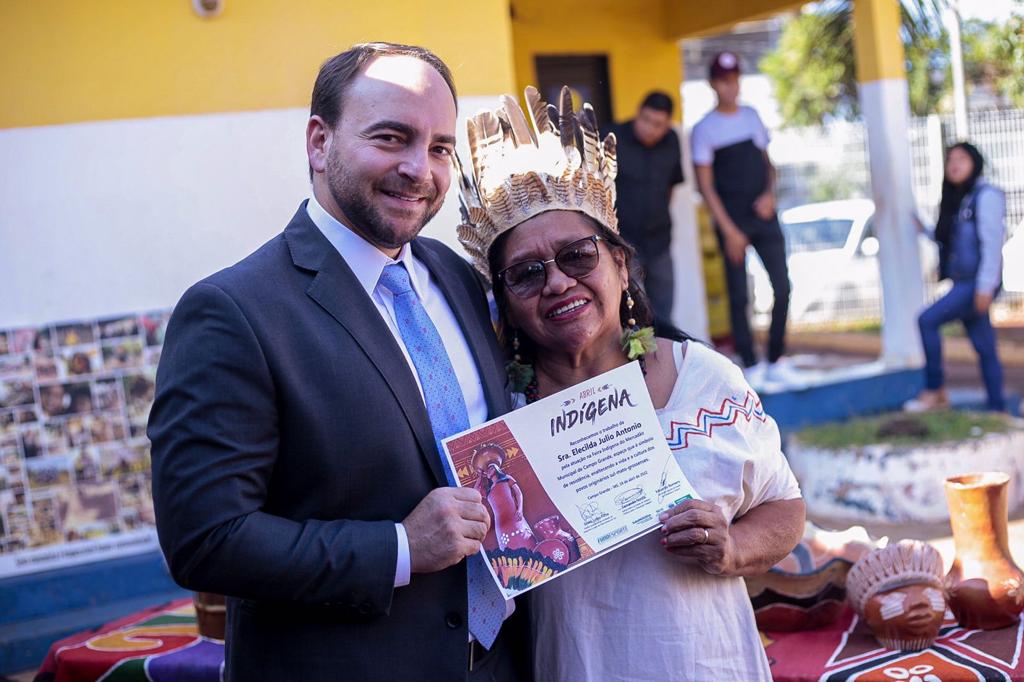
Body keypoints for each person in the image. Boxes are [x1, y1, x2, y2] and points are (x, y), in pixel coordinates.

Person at [148, 43, 530, 681]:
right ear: (319, 142)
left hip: (500, 663)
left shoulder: (457, 279)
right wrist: (400, 549)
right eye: (391, 137)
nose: (420, 169)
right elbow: (205, 539)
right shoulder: (231, 312)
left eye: (439, 147)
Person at [456, 85, 806, 681]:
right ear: (507, 305)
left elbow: (785, 507)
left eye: (577, 255)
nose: (558, 283)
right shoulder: (498, 420)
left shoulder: (704, 380)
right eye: (526, 273)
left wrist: (734, 548)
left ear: (620, 263)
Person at [691, 51, 794, 384]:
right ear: (713, 84)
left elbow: (769, 166)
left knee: (782, 285)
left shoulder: (752, 117)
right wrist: (729, 230)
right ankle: (750, 364)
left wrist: (770, 195)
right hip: (731, 221)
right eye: (723, 80)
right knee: (739, 295)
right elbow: (705, 186)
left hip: (763, 216)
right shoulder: (704, 129)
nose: (730, 86)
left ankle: (777, 357)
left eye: (734, 79)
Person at [905, 142, 1006, 412]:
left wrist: (985, 287)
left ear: (975, 161)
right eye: (950, 159)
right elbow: (949, 239)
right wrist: (924, 230)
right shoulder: (960, 198)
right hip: (964, 282)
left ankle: (935, 389)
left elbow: (992, 245)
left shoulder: (986, 196)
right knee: (984, 346)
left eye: (961, 158)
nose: (954, 164)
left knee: (927, 320)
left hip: (975, 283)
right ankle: (998, 407)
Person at [606, 91, 685, 323]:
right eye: (646, 120)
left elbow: (671, 184)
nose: (650, 128)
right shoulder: (613, 137)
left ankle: (663, 357)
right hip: (625, 243)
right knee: (633, 313)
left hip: (660, 241)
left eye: (658, 124)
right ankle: (639, 360)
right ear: (638, 114)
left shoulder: (672, 140)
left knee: (665, 313)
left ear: (667, 124)